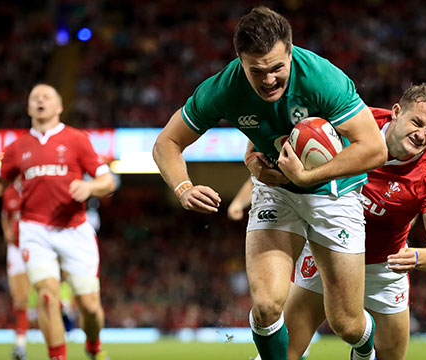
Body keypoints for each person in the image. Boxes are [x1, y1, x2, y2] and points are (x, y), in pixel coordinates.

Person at [153, 6, 387, 360]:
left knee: (347, 323)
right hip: (276, 193)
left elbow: (374, 149)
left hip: (335, 195)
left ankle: (364, 350)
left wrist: (307, 176)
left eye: (277, 68)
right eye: (256, 71)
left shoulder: (322, 79)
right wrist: (183, 187)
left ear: (291, 52)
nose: (268, 80)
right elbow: (166, 143)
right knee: (265, 305)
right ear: (240, 62)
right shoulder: (224, 88)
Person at [286, 84, 426, 360]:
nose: (421, 135)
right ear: (396, 112)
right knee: (284, 351)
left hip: (383, 267)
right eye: (417, 122)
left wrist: (416, 256)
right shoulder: (354, 122)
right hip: (328, 251)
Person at [0, 83, 116, 360]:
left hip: (75, 229)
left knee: (89, 306)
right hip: (34, 229)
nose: (40, 100)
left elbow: (107, 180)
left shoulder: (77, 140)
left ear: (59, 107)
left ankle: (93, 346)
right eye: (34, 97)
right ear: (28, 107)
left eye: (47, 96)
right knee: (47, 296)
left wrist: (90, 188)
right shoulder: (16, 148)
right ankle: (57, 357)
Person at [1, 180, 30, 360]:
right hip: (16, 250)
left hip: (36, 247)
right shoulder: (9, 192)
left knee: (47, 294)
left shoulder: (35, 186)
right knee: (20, 300)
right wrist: (6, 230)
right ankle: (20, 344)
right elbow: (5, 215)